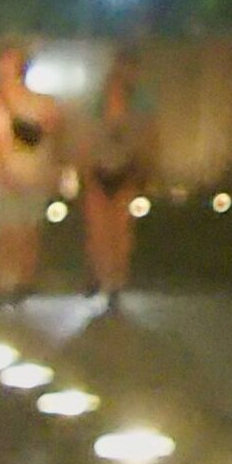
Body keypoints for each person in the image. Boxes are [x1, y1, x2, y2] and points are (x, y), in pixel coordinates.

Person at [0, 41, 54, 298]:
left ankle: (23, 281)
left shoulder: (41, 104)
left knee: (27, 230)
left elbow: (49, 135)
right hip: (4, 176)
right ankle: (6, 281)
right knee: (5, 231)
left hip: (31, 174)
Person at [82, 48, 155, 305]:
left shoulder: (141, 102)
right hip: (99, 168)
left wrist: (144, 167)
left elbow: (147, 136)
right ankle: (100, 274)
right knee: (99, 228)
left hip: (126, 169)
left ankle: (116, 280)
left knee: (120, 228)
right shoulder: (97, 102)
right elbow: (88, 138)